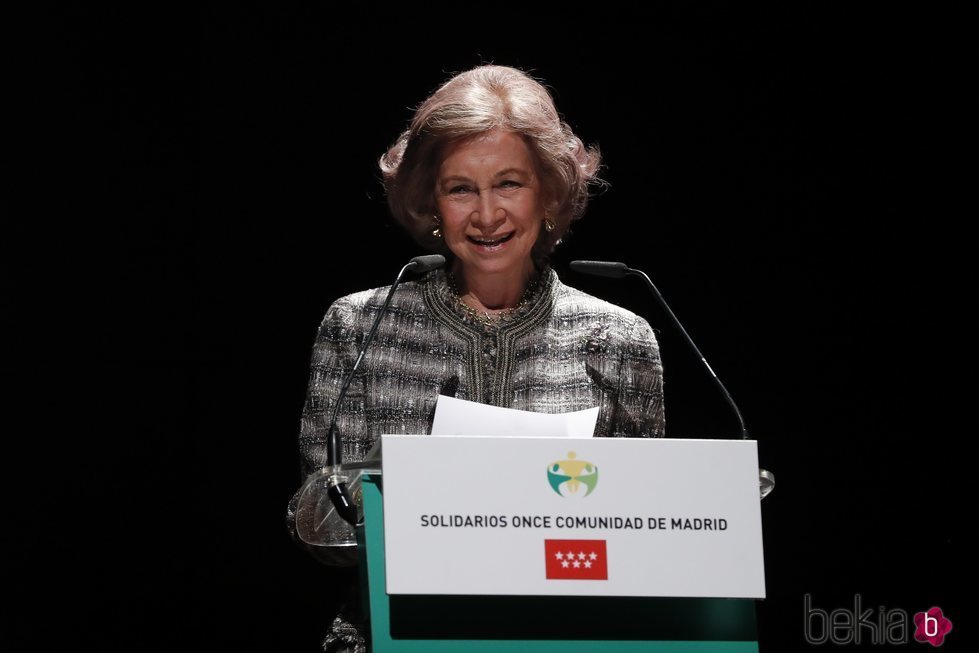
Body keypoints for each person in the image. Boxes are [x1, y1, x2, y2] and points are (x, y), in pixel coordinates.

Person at [287, 64, 665, 653]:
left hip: (564, 638)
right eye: (460, 188)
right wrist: (386, 484)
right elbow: (320, 530)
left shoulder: (620, 339)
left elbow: (648, 532)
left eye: (509, 183)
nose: (486, 215)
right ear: (432, 204)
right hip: (393, 638)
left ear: (549, 193)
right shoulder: (360, 326)